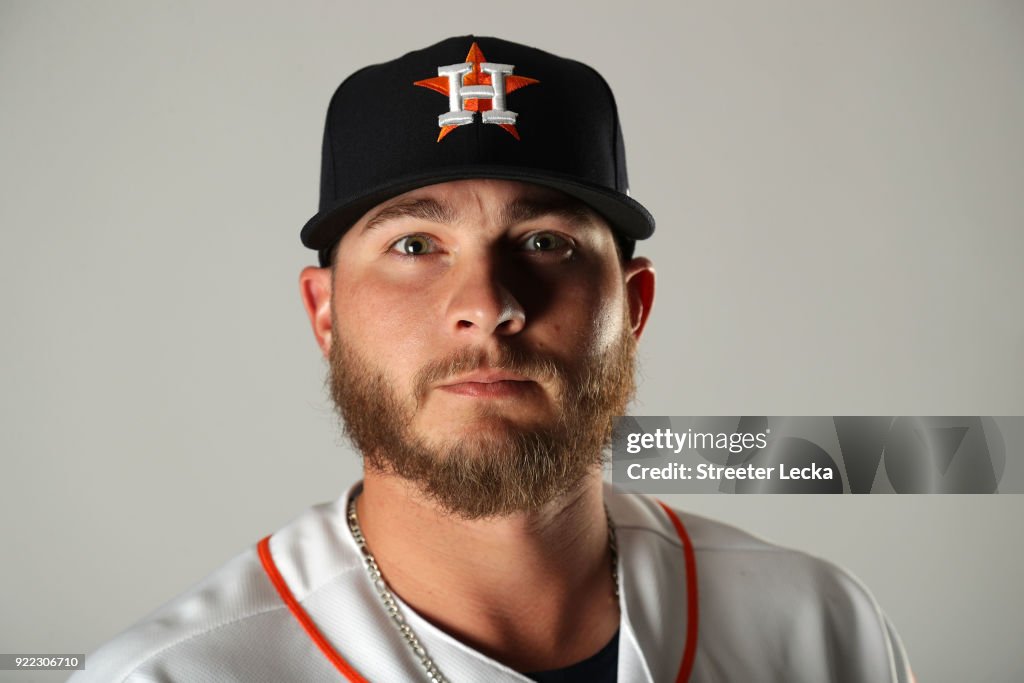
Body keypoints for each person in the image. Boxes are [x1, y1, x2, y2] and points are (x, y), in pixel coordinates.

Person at [72, 36, 914, 682]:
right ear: (324, 314)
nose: (489, 303)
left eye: (544, 241)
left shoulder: (820, 627)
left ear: (635, 307)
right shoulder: (171, 673)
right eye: (413, 243)